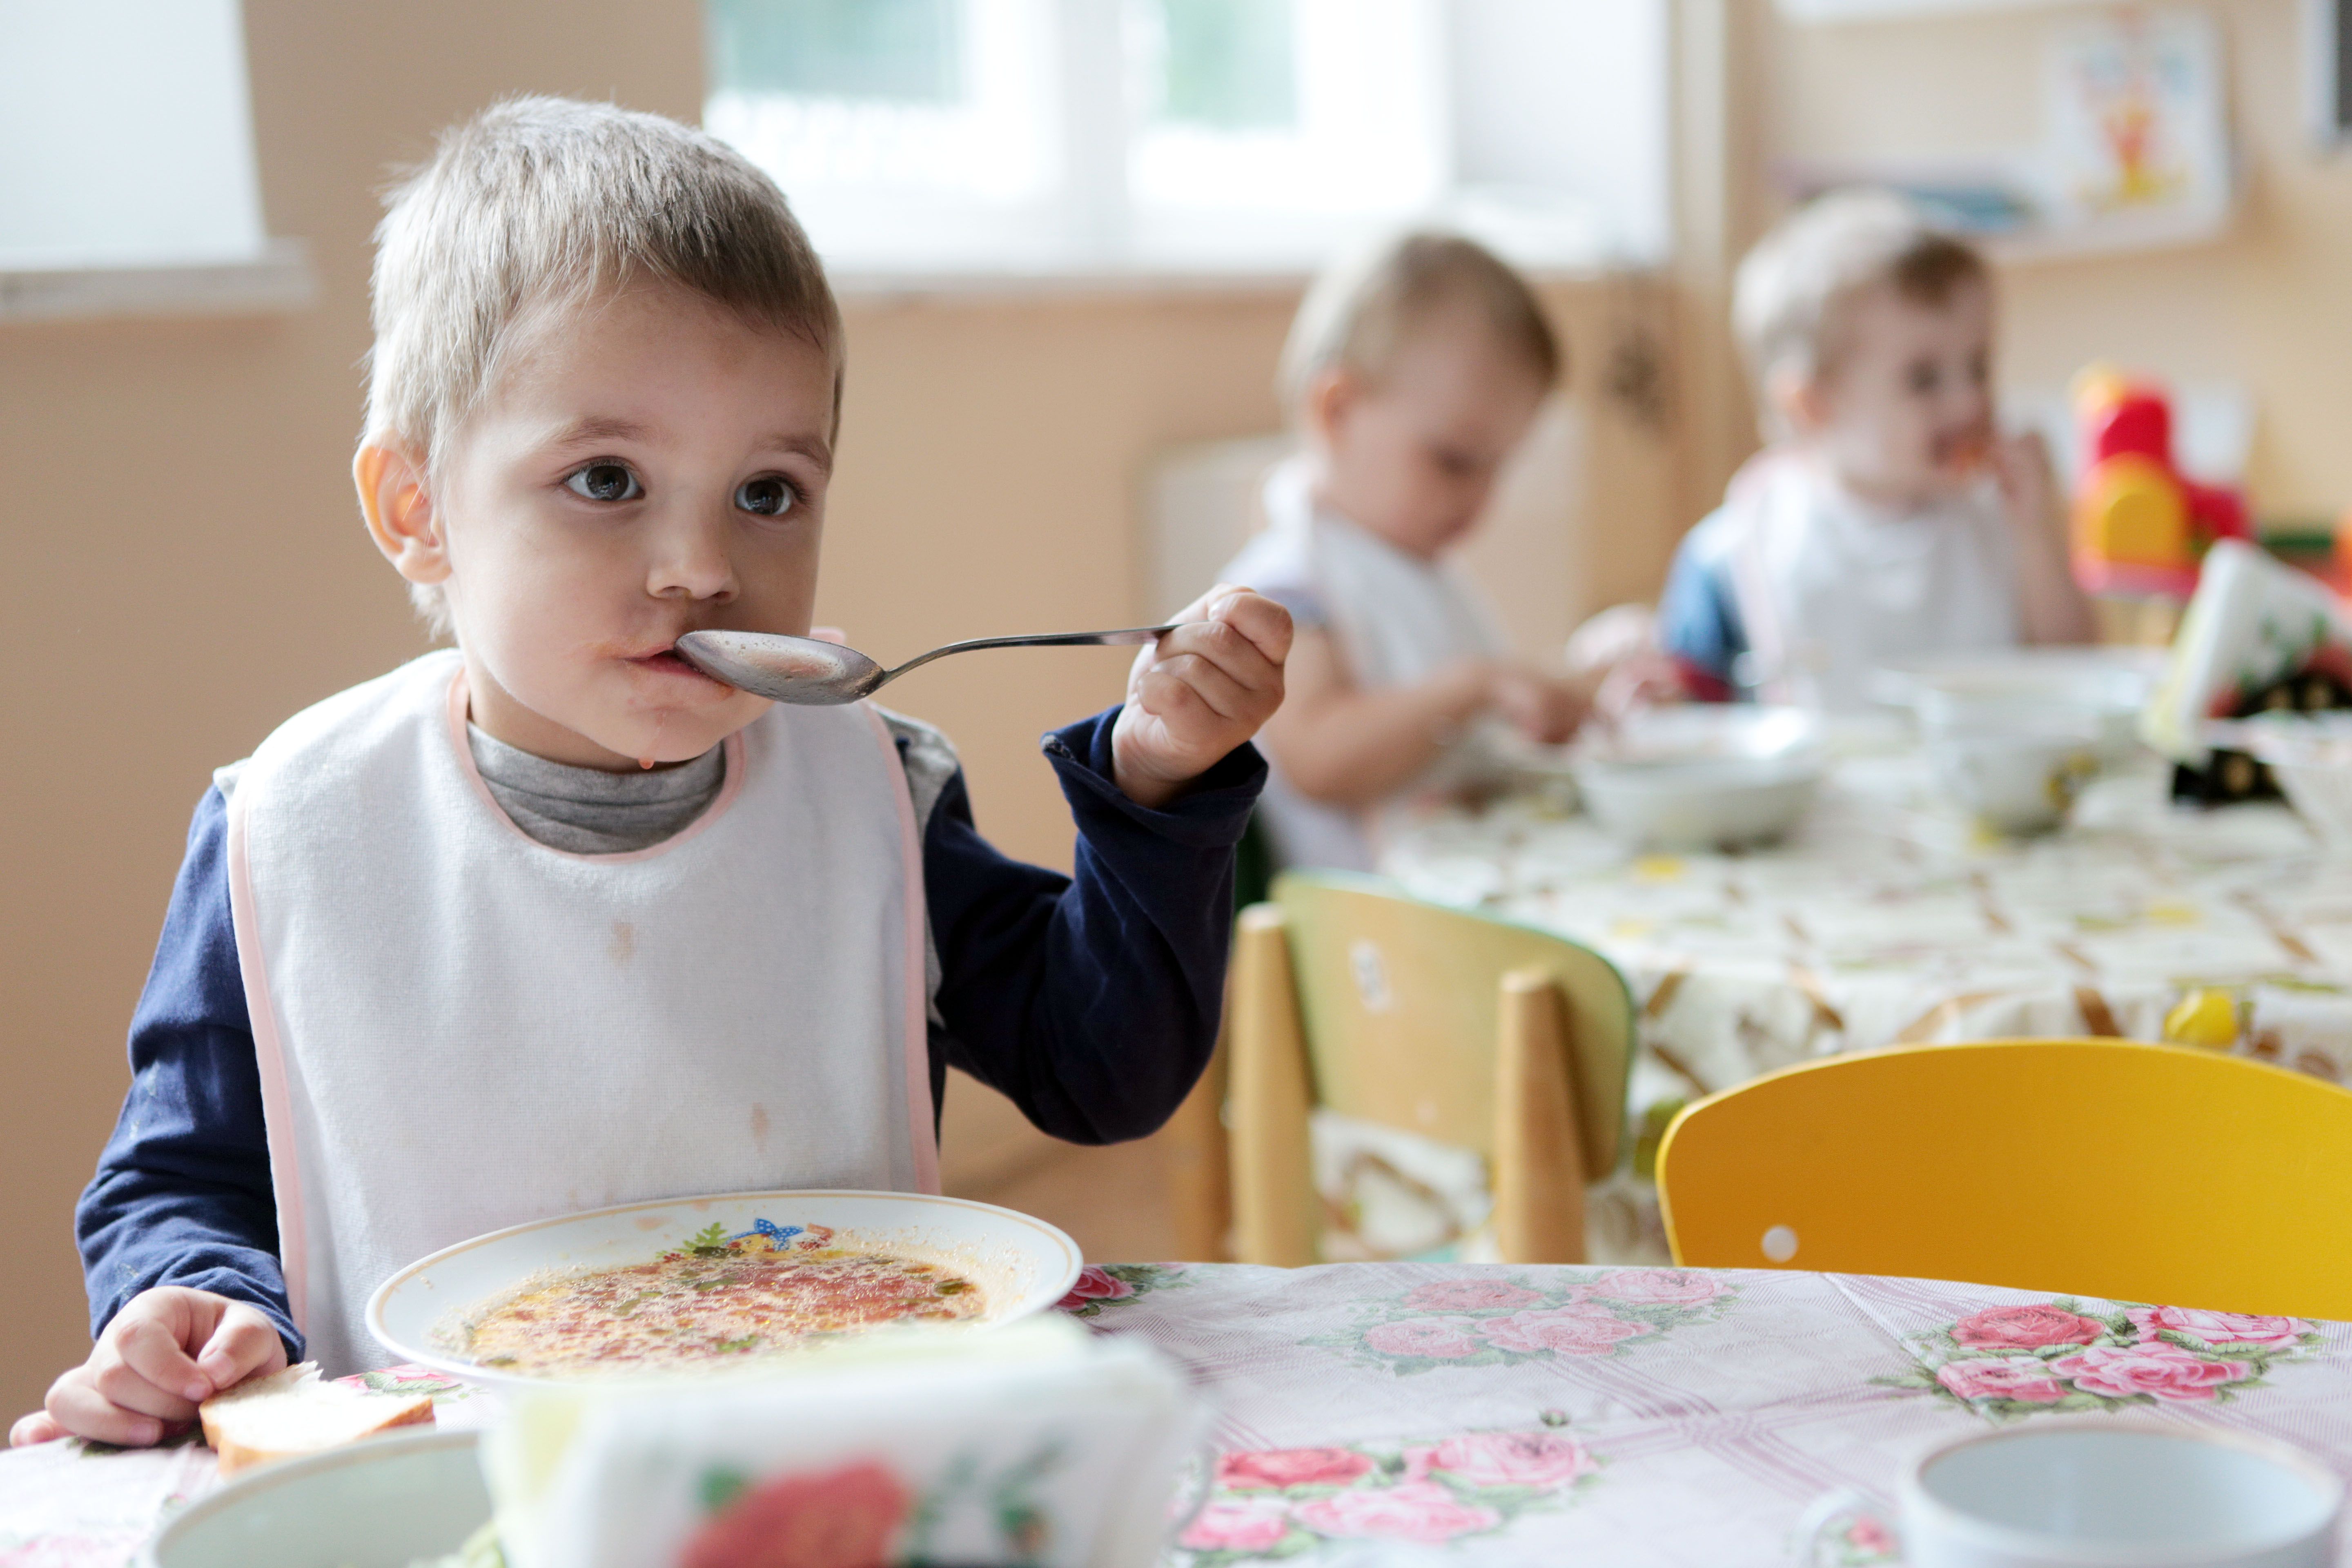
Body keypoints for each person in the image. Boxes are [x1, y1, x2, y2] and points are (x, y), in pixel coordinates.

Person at [12, 98, 1288, 1448]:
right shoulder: (294, 827)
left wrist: (1155, 792)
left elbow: (1106, 1073)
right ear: (418, 511)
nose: (702, 567)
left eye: (768, 492)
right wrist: (190, 1301)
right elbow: (180, 1180)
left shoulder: (870, 792)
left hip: (830, 1465)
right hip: (447, 1490)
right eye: (610, 478)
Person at [1224, 232, 1595, 873]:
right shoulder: (1287, 588)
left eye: (1497, 469)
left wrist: (1566, 691)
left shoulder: (1417, 571)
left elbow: (1468, 744)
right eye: (1455, 461)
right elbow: (1317, 759)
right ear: (1337, 410)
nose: (1481, 497)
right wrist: (1473, 686)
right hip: (1367, 938)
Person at [1657, 191, 2094, 709]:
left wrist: (2037, 537)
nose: (1970, 401)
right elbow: (1688, 711)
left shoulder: (1998, 519)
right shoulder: (1734, 553)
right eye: (1925, 380)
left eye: (1979, 367)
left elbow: (2078, 674)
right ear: (1813, 405)